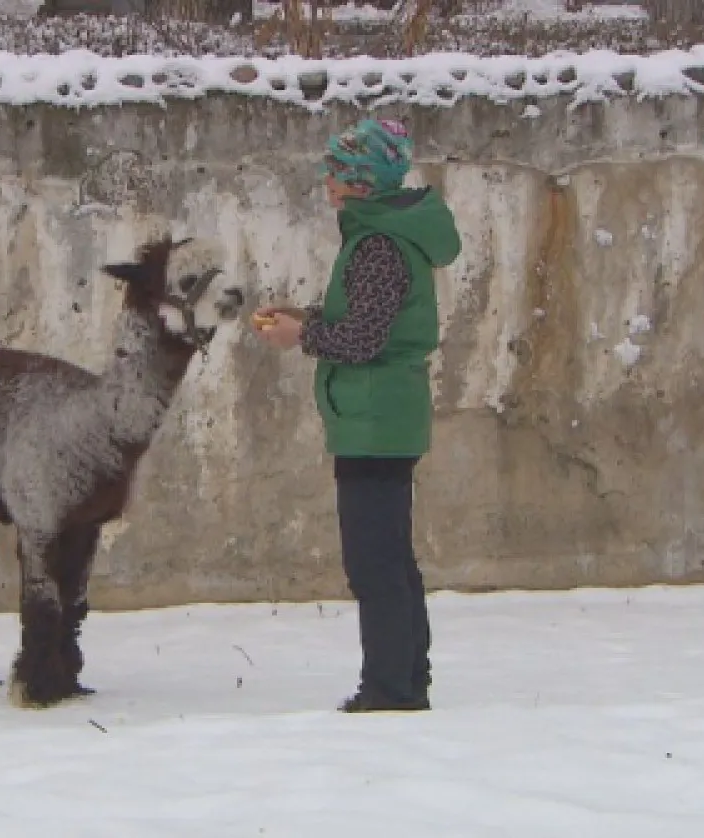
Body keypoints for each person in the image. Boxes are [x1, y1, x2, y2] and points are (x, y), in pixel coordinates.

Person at [252, 117, 461, 713]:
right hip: (384, 415)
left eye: (337, 175)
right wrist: (307, 317)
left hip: (373, 420)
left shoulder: (376, 243)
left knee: (373, 562)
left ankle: (390, 689)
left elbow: (364, 339)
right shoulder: (386, 233)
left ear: (361, 184)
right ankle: (406, 678)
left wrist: (302, 334)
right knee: (391, 555)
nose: (328, 184)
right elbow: (370, 319)